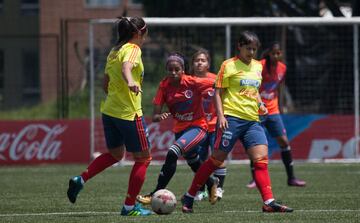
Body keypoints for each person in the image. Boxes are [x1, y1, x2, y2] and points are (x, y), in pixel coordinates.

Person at [181, 31, 293, 213]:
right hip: (231, 119)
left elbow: (255, 89)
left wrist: (261, 104)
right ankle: (190, 196)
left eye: (254, 49)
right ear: (239, 46)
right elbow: (217, 92)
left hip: (252, 121)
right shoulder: (228, 65)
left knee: (260, 160)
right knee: (215, 161)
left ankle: (269, 202)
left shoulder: (257, 67)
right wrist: (221, 115)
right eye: (248, 48)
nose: (251, 52)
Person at [67, 16, 153, 216]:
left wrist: (118, 92)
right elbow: (126, 69)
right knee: (143, 159)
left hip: (109, 111)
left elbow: (105, 84)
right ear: (138, 33)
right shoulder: (133, 49)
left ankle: (81, 179)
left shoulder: (114, 52)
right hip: (128, 113)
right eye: (146, 31)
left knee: (115, 155)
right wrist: (131, 82)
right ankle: (130, 207)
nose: (146, 36)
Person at [136, 53, 218, 205]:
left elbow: (217, 82)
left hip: (198, 127)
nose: (173, 73)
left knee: (173, 152)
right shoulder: (164, 86)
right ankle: (211, 182)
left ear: (183, 70)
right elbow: (155, 115)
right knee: (193, 161)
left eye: (177, 69)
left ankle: (154, 194)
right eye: (170, 69)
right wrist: (158, 117)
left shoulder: (192, 82)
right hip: (179, 129)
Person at [246, 42, 306, 189]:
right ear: (269, 53)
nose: (276, 56)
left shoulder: (282, 68)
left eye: (278, 53)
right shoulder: (259, 66)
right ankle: (254, 180)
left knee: (284, 142)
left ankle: (291, 178)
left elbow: (279, 87)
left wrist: (280, 106)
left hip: (273, 111)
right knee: (256, 145)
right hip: (257, 110)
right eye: (273, 53)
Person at [190, 49, 227, 202]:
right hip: (198, 127)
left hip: (215, 125)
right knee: (200, 160)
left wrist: (223, 116)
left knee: (218, 158)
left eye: (203, 60)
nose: (199, 63)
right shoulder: (188, 80)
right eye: (197, 60)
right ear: (192, 63)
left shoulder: (215, 79)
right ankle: (202, 190)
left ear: (208, 64)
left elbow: (224, 98)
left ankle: (219, 189)